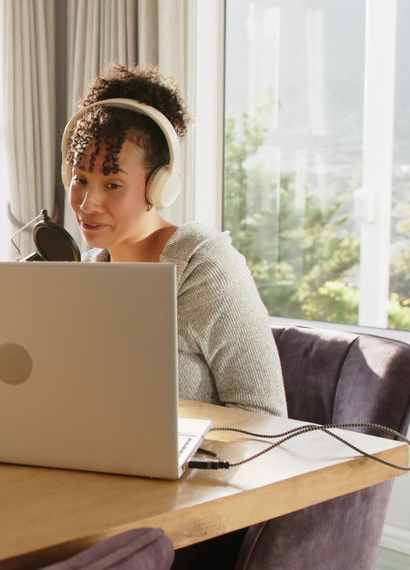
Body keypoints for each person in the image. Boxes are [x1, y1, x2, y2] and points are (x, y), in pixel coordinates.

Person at [63, 65, 287, 417]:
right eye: (80, 180)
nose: (87, 203)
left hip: (202, 469)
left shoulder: (203, 266)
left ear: (160, 186)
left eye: (113, 184)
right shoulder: (90, 273)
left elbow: (264, 416)